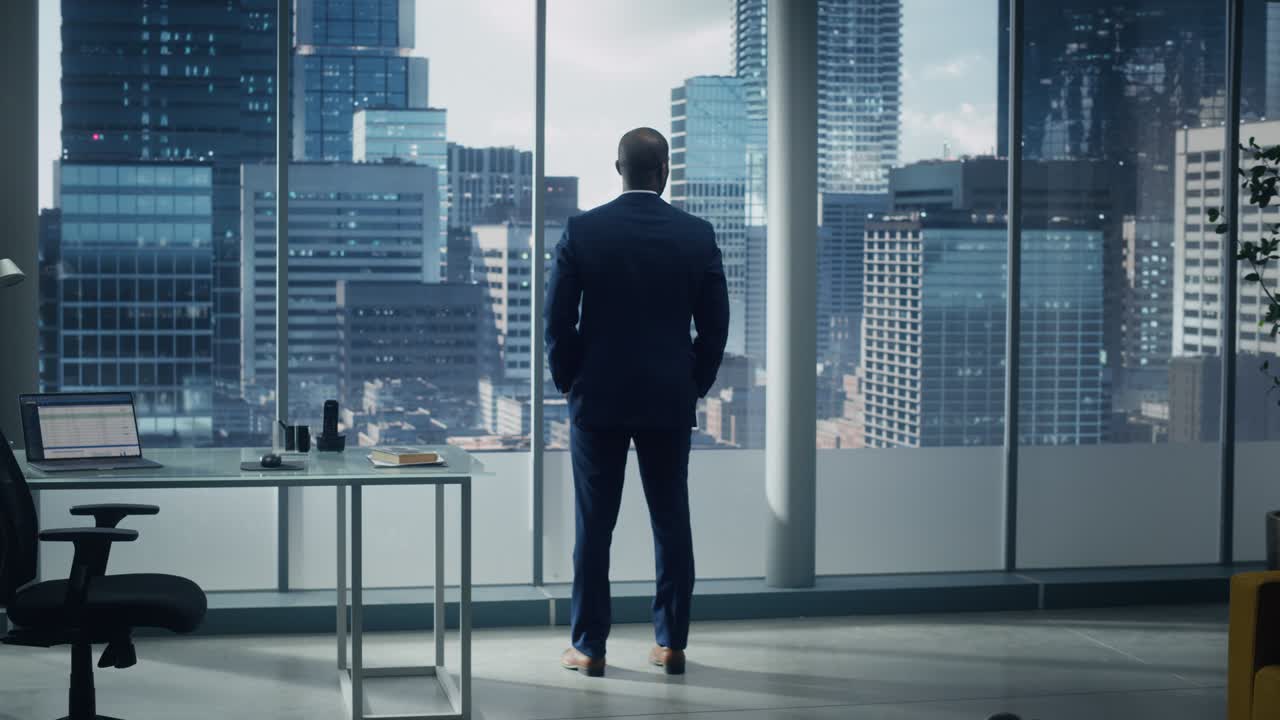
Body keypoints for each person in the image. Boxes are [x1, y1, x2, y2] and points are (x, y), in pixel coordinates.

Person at [546, 127, 730, 677]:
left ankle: (589, 647)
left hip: (598, 398)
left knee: (593, 528)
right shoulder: (697, 235)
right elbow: (716, 327)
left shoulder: (583, 231)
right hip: (668, 400)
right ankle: (671, 643)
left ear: (618, 168)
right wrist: (691, 382)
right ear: (665, 170)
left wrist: (569, 379)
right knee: (671, 520)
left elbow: (558, 321)